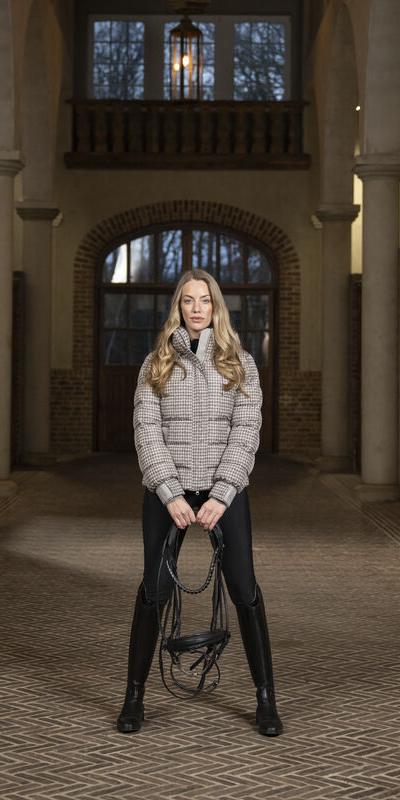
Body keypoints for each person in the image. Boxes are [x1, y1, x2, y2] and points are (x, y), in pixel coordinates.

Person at [116, 268, 283, 737]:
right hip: (167, 493)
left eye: (204, 300)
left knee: (245, 589)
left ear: (215, 307)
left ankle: (266, 699)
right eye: (188, 301)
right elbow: (146, 431)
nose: (196, 309)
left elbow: (246, 432)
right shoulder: (156, 364)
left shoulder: (240, 363)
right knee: (154, 590)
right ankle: (134, 697)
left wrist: (222, 494)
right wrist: (169, 492)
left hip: (221, 492)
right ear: (178, 307)